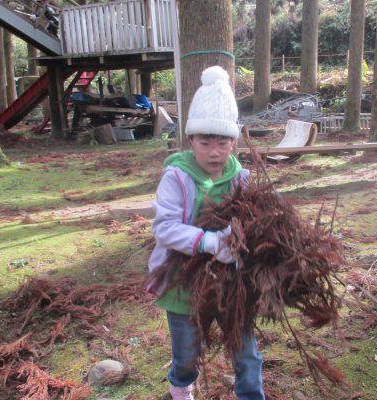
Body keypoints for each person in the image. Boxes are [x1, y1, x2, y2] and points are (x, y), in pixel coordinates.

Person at [148, 65, 265, 400]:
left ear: (234, 142)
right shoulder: (177, 178)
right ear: (190, 141)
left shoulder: (241, 177)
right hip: (184, 281)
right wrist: (212, 242)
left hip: (232, 282)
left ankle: (251, 396)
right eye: (205, 142)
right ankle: (181, 386)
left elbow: (254, 218)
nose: (214, 152)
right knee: (186, 353)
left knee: (246, 351)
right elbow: (166, 228)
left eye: (223, 142)